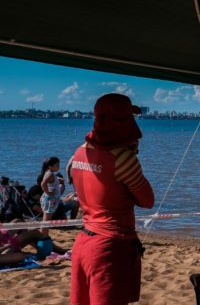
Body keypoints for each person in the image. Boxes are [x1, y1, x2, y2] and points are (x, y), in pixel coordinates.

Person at [69, 93, 155, 305]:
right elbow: (147, 200)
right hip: (110, 247)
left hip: (83, 242)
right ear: (124, 122)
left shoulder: (80, 152)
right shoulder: (122, 158)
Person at [37, 157, 62, 236]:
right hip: (50, 200)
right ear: (50, 166)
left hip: (50, 199)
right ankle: (43, 236)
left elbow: (49, 182)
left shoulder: (49, 172)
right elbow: (43, 184)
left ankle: (44, 235)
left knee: (46, 220)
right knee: (46, 220)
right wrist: (48, 192)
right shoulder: (50, 173)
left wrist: (57, 179)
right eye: (57, 165)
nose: (59, 166)